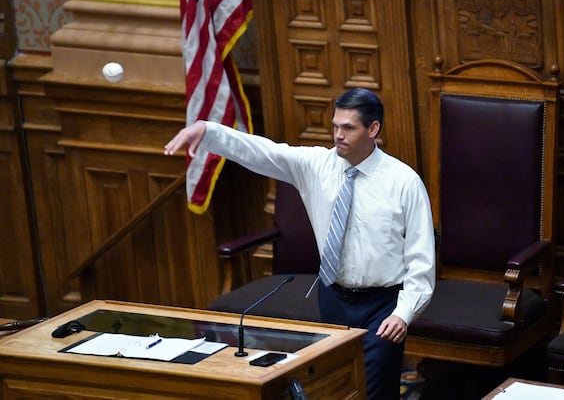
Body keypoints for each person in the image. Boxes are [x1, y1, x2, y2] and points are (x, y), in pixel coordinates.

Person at [164, 88, 435, 399]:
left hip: (383, 306)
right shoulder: (315, 165)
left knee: (374, 393)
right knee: (337, 388)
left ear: (373, 129)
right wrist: (208, 130)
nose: (338, 135)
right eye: (335, 126)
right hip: (333, 298)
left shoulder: (404, 182)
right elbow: (262, 152)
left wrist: (404, 312)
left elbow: (421, 258)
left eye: (348, 128)